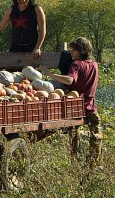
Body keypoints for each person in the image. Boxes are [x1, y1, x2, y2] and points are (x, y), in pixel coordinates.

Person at [40, 37, 101, 166]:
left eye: (74, 50)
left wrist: (49, 73)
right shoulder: (94, 65)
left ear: (82, 51)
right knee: (96, 137)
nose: (71, 52)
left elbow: (69, 80)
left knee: (74, 135)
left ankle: (76, 161)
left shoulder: (77, 64)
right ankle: (94, 164)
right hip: (91, 107)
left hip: (76, 107)